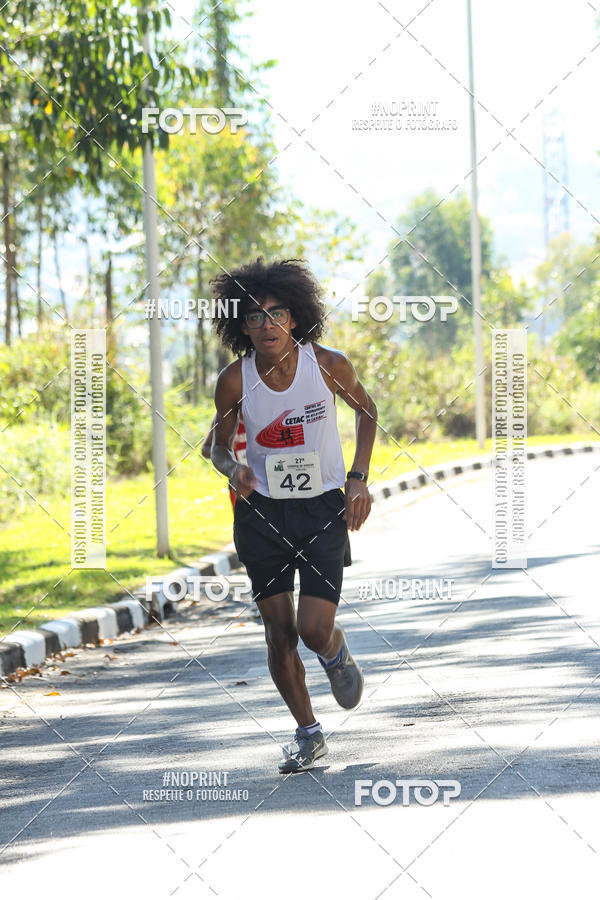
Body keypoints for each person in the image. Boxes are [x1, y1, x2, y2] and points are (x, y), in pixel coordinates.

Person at [210, 258, 377, 774]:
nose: (267, 326)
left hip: (322, 509)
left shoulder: (327, 365)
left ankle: (333, 651)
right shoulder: (234, 381)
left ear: (296, 319)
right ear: (242, 325)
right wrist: (232, 468)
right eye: (255, 317)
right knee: (278, 633)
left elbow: (366, 412)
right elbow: (213, 448)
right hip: (261, 515)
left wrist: (358, 478)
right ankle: (308, 734)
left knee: (311, 628)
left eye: (277, 314)